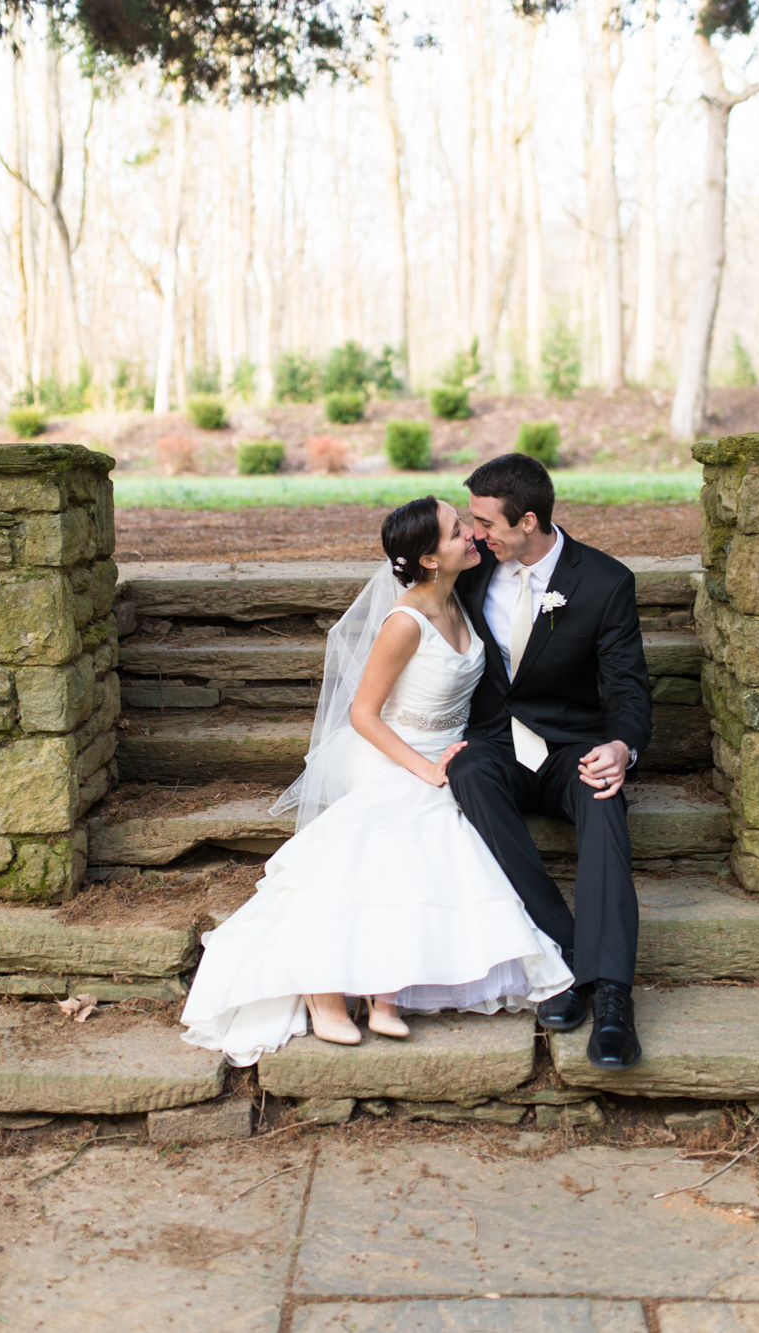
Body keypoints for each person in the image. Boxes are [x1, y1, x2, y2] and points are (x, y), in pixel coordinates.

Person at [181, 498, 574, 1064]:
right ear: (428, 559)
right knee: (408, 819)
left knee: (433, 818)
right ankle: (323, 987)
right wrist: (424, 769)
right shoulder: (404, 621)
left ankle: (384, 988)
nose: (471, 534)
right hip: (388, 751)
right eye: (457, 530)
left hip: (448, 751)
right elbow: (363, 715)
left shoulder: (461, 600)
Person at [447, 453, 654, 1070]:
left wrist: (621, 747)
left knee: (602, 790)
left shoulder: (605, 582)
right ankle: (562, 956)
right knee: (467, 772)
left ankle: (613, 994)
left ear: (528, 520)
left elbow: (628, 688)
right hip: (496, 745)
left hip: (569, 749)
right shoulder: (471, 571)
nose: (475, 532)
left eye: (486, 522)